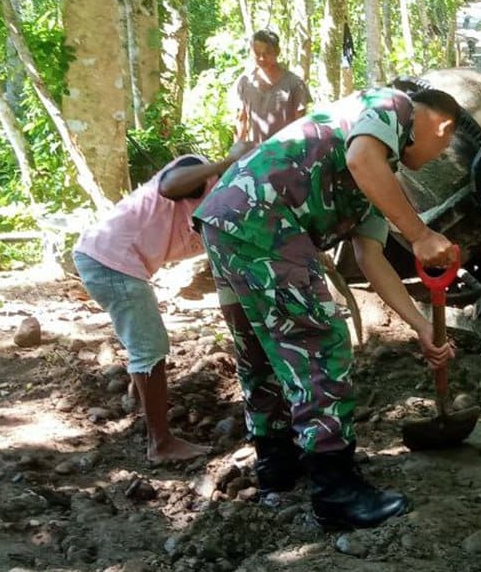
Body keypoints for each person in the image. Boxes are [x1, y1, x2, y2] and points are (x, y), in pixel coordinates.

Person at [194, 86, 461, 530]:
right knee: (319, 342)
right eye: (444, 148)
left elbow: (371, 258)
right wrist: (420, 234)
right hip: (263, 219)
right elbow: (361, 159)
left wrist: (421, 326)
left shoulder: (379, 176)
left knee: (260, 350)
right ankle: (336, 492)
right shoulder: (391, 104)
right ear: (443, 127)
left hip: (228, 220)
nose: (437, 157)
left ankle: (278, 465)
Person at [72, 143, 250, 462]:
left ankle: (140, 399)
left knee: (143, 343)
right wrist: (226, 162)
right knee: (150, 347)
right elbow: (169, 186)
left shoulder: (230, 208)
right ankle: (160, 444)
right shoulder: (200, 172)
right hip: (110, 258)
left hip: (112, 260)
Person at [231, 29, 312, 148]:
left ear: (277, 52)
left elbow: (300, 124)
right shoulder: (245, 82)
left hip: (285, 152)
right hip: (254, 153)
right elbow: (241, 120)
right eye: (257, 53)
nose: (262, 58)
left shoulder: (295, 83)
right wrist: (236, 152)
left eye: (267, 53)